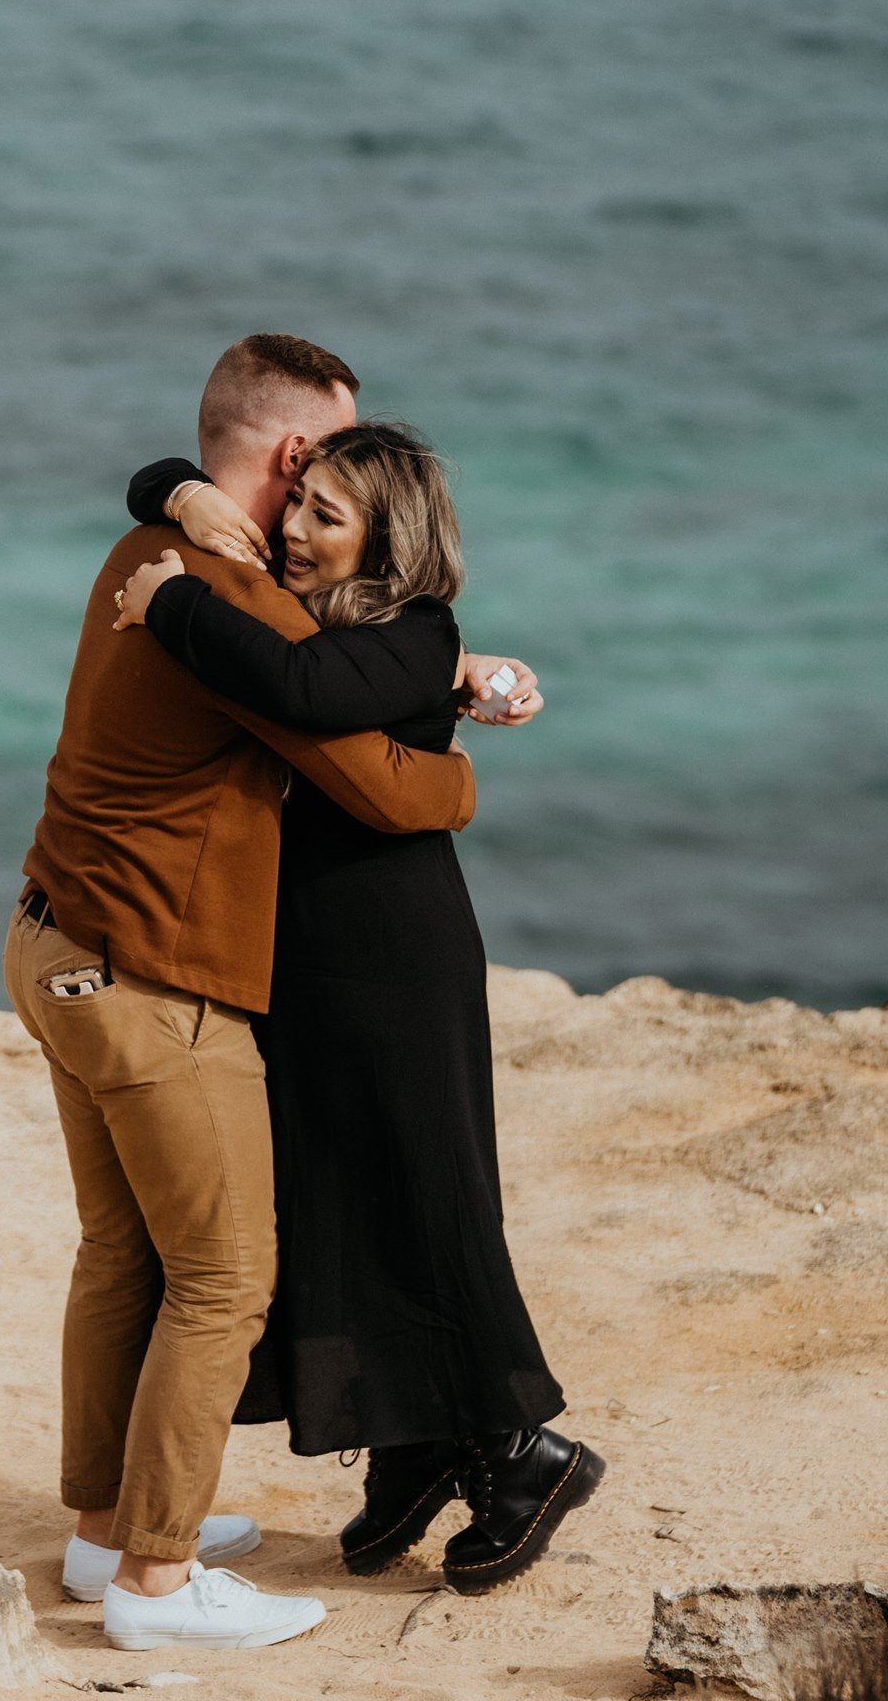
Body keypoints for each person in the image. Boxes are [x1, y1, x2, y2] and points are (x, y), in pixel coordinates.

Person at [3, 334, 478, 1651]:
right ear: (288, 456)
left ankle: (104, 1536)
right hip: (150, 982)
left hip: (49, 943)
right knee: (220, 1276)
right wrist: (461, 746)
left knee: (125, 1254)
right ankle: (156, 1581)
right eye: (329, 461)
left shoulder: (142, 554)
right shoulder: (230, 596)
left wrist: (168, 488)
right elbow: (380, 782)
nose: (337, 491)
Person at [115, 418, 605, 1594]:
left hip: (395, 963)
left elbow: (292, 685)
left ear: (389, 544)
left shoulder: (414, 636)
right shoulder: (328, 615)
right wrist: (183, 497)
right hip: (306, 969)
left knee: (429, 1198)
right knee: (338, 1208)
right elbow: (145, 475)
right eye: (297, 504)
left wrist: (170, 603)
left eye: (325, 516)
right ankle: (412, 1440)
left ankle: (523, 1448)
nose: (292, 529)